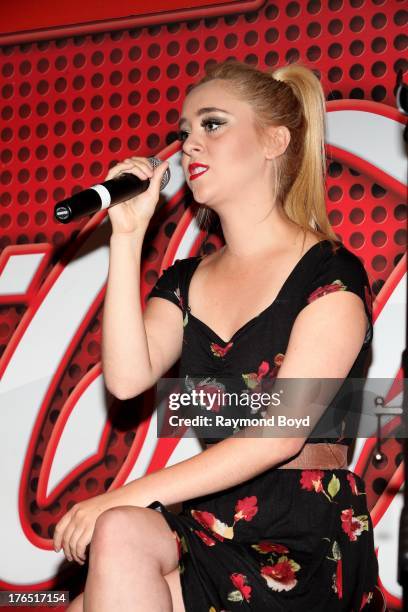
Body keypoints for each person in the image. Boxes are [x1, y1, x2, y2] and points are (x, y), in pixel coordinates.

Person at [54, 60, 379, 611]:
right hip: (212, 525)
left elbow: (281, 436)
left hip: (301, 543)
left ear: (276, 141)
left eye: (212, 124)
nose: (189, 145)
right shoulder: (185, 280)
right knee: (117, 547)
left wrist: (117, 499)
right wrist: (127, 237)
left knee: (115, 532)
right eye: (184, 132)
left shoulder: (330, 273)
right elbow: (129, 379)